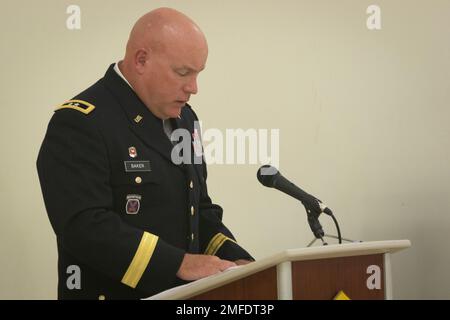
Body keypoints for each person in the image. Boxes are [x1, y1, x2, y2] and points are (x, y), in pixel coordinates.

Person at [36, 7, 253, 300]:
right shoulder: (81, 121)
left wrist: (237, 262)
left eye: (198, 73)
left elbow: (198, 208)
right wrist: (179, 263)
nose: (194, 87)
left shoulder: (185, 120)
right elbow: (84, 227)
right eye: (183, 72)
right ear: (141, 60)